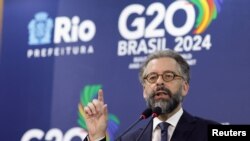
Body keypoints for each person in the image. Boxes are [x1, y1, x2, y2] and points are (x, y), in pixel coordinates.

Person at [83, 49, 219, 141]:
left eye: (168, 76)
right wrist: (97, 137)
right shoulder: (130, 139)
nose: (159, 82)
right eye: (152, 77)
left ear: (184, 87)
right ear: (144, 90)